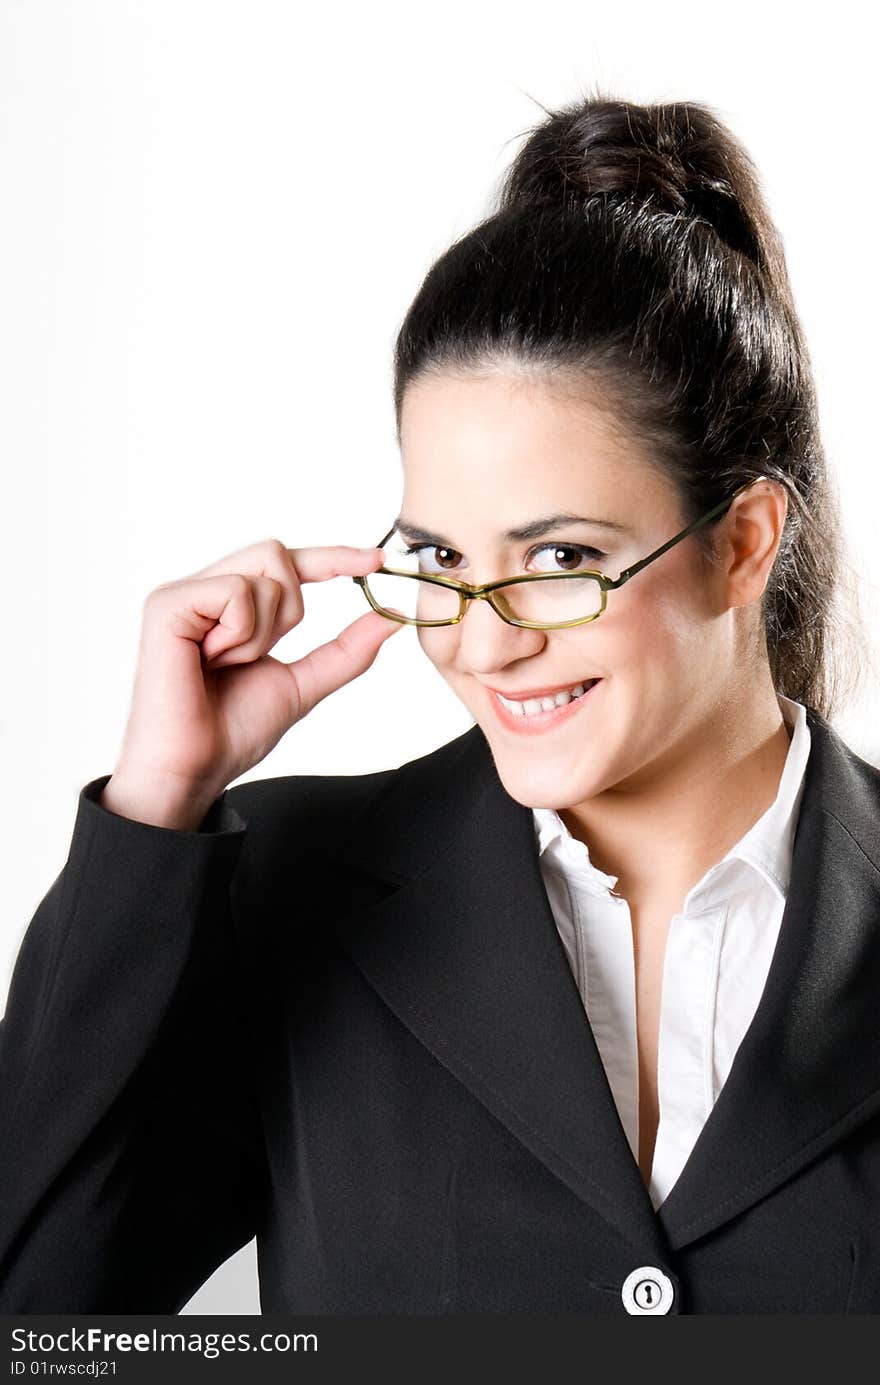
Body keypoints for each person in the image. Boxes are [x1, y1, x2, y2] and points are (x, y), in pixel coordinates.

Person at [1, 90, 878, 1316]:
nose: (479, 638)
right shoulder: (284, 889)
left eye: (561, 559)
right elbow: (44, 1320)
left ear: (742, 540)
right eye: (441, 560)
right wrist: (155, 806)